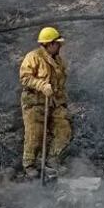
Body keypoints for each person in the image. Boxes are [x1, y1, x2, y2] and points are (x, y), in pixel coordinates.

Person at [19, 26, 71, 178]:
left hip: (53, 103)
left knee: (64, 129)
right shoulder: (33, 57)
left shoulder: (58, 61)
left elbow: (60, 85)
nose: (59, 46)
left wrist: (62, 103)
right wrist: (41, 85)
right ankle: (29, 165)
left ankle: (52, 160)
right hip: (34, 102)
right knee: (34, 134)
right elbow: (25, 78)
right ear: (49, 44)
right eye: (57, 44)